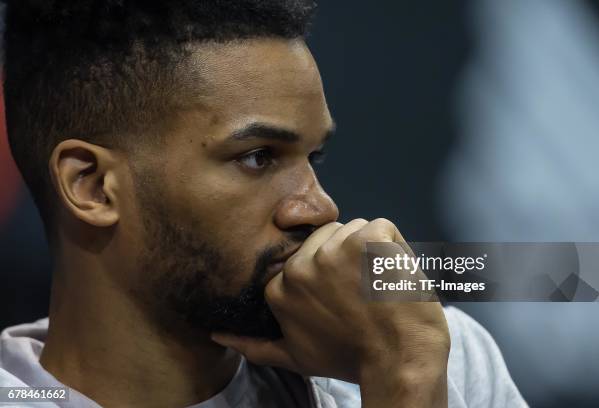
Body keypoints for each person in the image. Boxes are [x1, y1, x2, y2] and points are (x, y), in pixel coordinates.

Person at [0, 1, 525, 407]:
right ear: (91, 186)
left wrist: (406, 370)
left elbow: (584, 276)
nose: (318, 208)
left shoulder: (438, 353)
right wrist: (402, 386)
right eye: (257, 157)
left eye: (313, 157)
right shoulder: (408, 363)